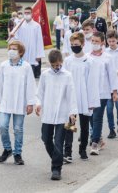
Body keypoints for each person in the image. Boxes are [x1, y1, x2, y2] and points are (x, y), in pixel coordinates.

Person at [36, 50, 78, 181]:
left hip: (63, 114)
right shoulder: (45, 75)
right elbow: (40, 92)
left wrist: (72, 112)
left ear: (62, 62)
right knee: (46, 138)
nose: (56, 67)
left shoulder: (67, 75)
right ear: (50, 63)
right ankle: (57, 157)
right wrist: (38, 104)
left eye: (58, 65)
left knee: (59, 141)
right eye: (53, 65)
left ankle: (56, 168)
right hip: (48, 113)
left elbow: (71, 94)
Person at [0, 40, 36, 166]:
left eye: (14, 49)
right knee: (2, 126)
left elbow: (30, 86)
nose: (11, 51)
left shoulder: (26, 66)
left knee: (18, 129)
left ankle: (17, 153)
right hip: (5, 102)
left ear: (21, 52)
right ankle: (7, 149)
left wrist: (30, 103)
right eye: (10, 48)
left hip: (20, 102)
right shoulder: (4, 65)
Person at [63, 32, 100, 162]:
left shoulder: (90, 61)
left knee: (84, 126)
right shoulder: (67, 61)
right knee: (69, 126)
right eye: (72, 45)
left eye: (77, 44)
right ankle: (67, 152)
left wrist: (92, 101)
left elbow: (93, 82)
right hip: (71, 97)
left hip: (84, 96)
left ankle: (82, 149)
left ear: (83, 44)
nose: (74, 47)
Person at [88, 31, 118, 155]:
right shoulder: (87, 57)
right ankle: (99, 138)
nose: (94, 43)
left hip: (103, 92)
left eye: (96, 41)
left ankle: (95, 143)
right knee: (91, 117)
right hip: (90, 92)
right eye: (92, 41)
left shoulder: (107, 58)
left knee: (97, 117)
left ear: (102, 42)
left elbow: (112, 75)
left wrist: (115, 92)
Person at [12, 7, 45, 79]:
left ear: (32, 14)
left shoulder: (36, 26)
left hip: (32, 54)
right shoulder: (20, 25)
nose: (26, 14)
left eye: (28, 13)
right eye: (25, 13)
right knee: (21, 76)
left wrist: (39, 54)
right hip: (22, 54)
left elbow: (39, 41)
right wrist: (12, 34)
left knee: (30, 77)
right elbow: (15, 37)